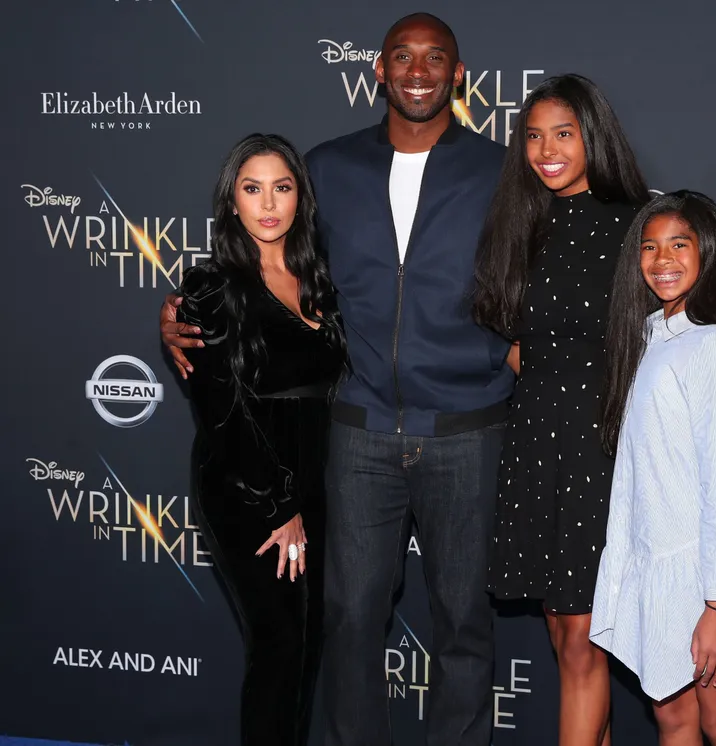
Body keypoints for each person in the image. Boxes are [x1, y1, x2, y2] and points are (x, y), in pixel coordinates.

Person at [163, 13, 512, 746]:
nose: (418, 70)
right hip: (356, 432)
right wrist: (183, 311)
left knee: (464, 626)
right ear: (378, 71)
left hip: (467, 428)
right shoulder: (326, 166)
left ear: (457, 73)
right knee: (349, 621)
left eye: (435, 57)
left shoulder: (503, 170)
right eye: (402, 57)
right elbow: (264, 267)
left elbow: (562, 273)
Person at [473, 77, 716, 746]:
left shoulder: (637, 222)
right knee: (563, 635)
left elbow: (697, 307)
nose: (546, 150)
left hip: (605, 452)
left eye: (564, 133)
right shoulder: (521, 223)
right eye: (532, 135)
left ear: (594, 135)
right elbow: (505, 332)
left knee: (583, 641)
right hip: (535, 446)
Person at [177, 134, 348, 746]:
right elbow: (221, 411)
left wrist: (306, 500)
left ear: (301, 197)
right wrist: (280, 507)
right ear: (232, 202)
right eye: (252, 189)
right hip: (249, 488)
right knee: (279, 645)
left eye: (282, 187)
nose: (268, 203)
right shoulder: (209, 288)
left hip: (313, 483)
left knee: (304, 644)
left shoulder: (318, 279)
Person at [590, 191, 716, 746]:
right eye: (649, 247)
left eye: (679, 245)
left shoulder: (713, 345)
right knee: (672, 720)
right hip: (656, 566)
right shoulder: (647, 334)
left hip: (701, 574)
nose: (662, 259)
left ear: (708, 254)